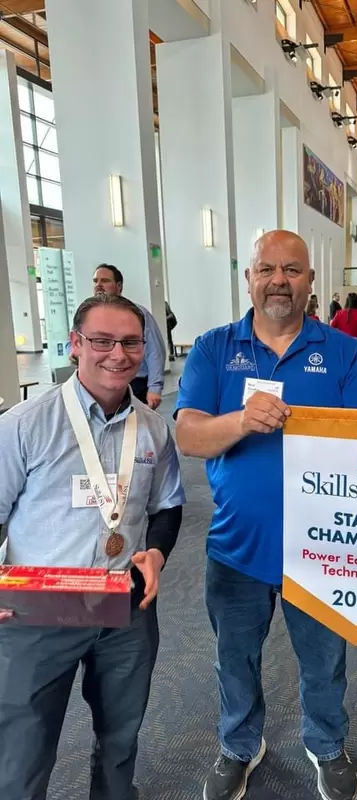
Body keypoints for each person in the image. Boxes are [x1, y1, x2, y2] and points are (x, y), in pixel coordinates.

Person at [174, 229, 357, 800]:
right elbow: (188, 435)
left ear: (310, 280)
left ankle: (326, 744)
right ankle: (239, 745)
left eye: (292, 270)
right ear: (249, 278)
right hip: (237, 546)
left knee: (324, 661)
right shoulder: (213, 348)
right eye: (267, 269)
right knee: (234, 659)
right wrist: (241, 421)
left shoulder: (343, 352)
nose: (279, 281)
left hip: (325, 548)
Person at [0, 293, 185, 800]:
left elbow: (168, 505)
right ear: (75, 344)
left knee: (120, 740)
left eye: (130, 342)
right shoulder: (24, 425)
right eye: (102, 341)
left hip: (123, 605)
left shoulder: (154, 429)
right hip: (38, 608)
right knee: (22, 752)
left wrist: (157, 552)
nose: (118, 354)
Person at [93, 264, 167, 409]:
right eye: (96, 281)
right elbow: (72, 341)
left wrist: (154, 388)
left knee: (134, 423)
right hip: (100, 384)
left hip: (134, 385)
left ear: (119, 286)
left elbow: (154, 352)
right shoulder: (88, 315)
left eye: (105, 281)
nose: (98, 285)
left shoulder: (137, 314)